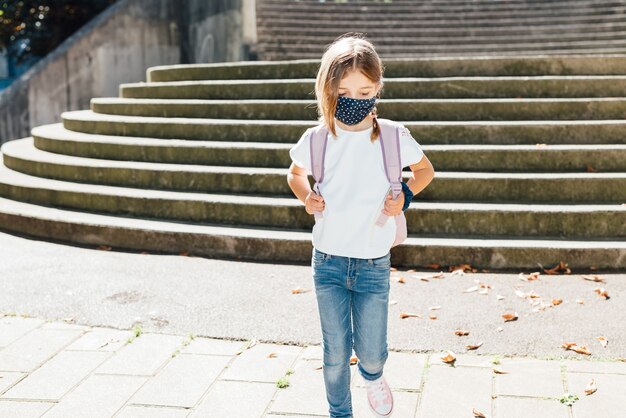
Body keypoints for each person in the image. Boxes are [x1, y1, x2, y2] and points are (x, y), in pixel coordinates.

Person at [286, 33, 435, 418]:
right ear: (328, 90)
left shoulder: (393, 136)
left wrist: (404, 193)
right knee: (334, 351)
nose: (354, 99)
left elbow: (424, 171)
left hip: (372, 263)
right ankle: (340, 412)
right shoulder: (317, 139)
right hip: (329, 261)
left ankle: (372, 375)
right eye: (344, 91)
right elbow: (295, 175)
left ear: (377, 89)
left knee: (371, 348)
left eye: (364, 90)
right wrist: (307, 197)